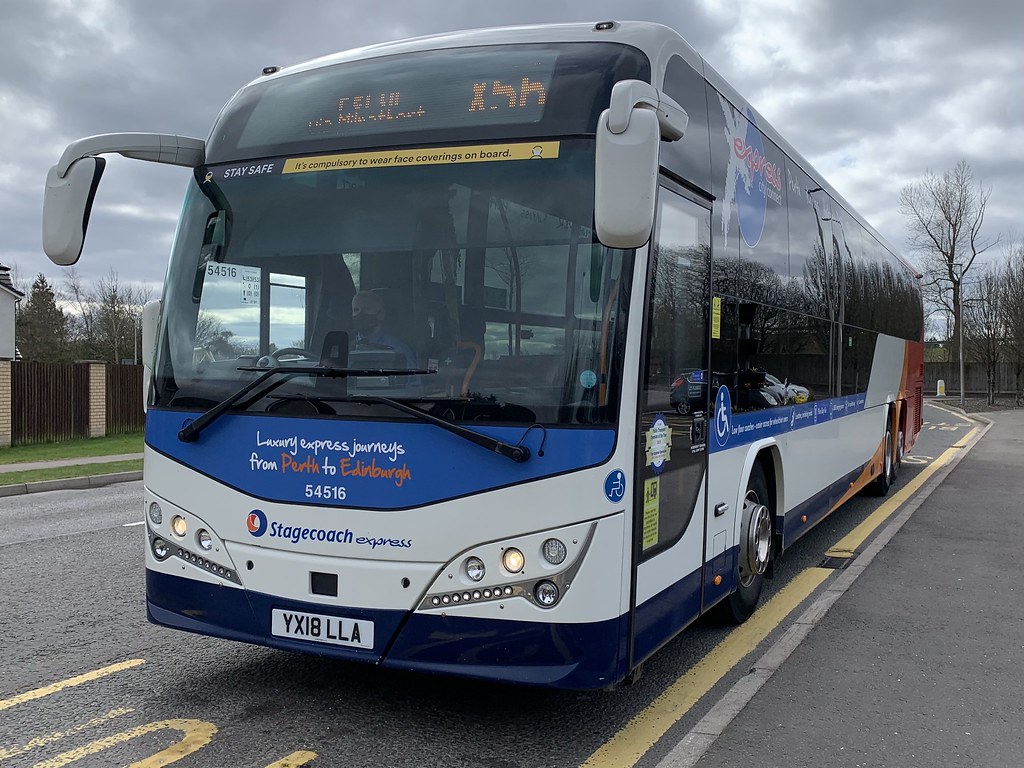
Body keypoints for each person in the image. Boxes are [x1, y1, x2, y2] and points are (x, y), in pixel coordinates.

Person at [350, 290, 417, 369]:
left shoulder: (398, 349)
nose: (360, 314)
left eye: (366, 309)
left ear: (381, 314)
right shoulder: (346, 347)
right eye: (356, 310)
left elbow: (411, 376)